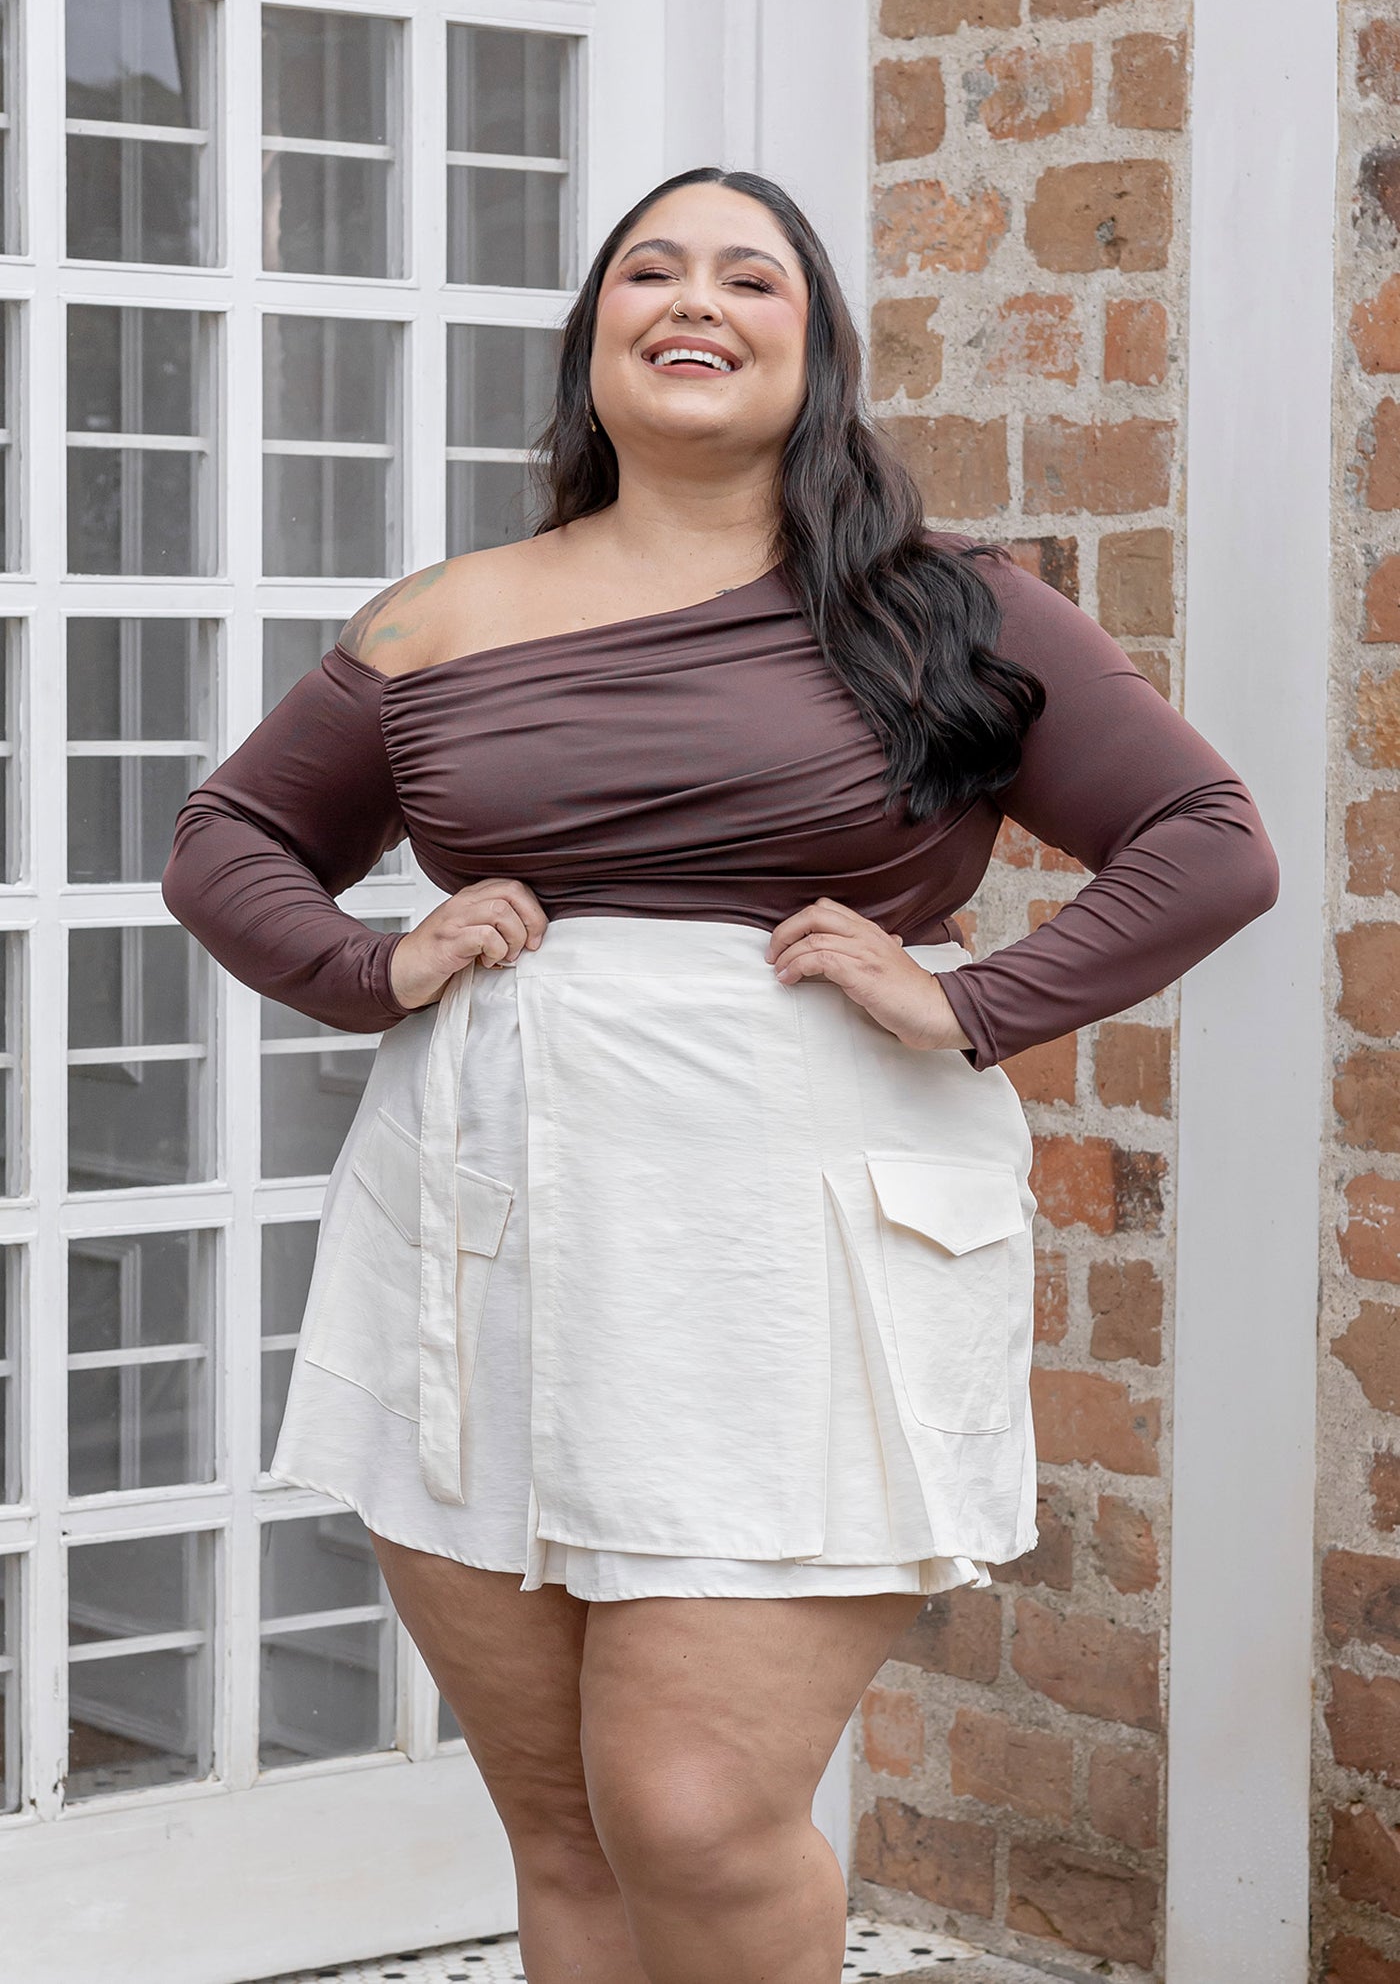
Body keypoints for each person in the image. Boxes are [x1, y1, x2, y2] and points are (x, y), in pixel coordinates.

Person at [162, 166, 1278, 1984]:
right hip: (476, 1242)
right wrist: (372, 965)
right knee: (567, 1831)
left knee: (692, 1813)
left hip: (791, 1255)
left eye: (750, 278)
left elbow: (1206, 838)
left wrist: (975, 1001)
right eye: (650, 271)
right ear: (592, 339)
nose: (693, 299)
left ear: (816, 350)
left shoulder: (943, 606)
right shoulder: (445, 614)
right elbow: (228, 838)